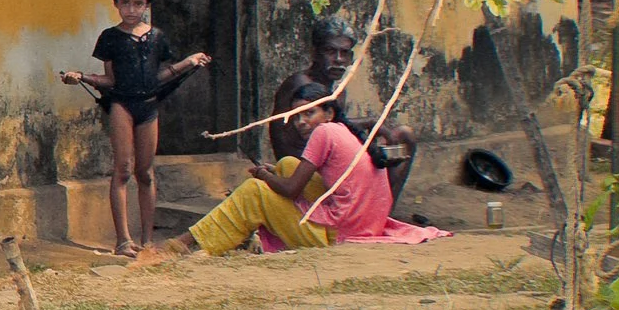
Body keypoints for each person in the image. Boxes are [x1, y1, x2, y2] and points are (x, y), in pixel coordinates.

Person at [138, 84, 446, 261]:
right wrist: (276, 173)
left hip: (342, 233)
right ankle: (224, 237)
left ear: (328, 112)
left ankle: (185, 243)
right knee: (287, 165)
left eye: (308, 113)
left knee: (255, 192)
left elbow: (290, 191)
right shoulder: (343, 131)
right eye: (296, 116)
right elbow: (293, 178)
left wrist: (262, 175)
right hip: (364, 223)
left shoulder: (324, 133)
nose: (300, 122)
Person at [62, 0, 210, 256]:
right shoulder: (110, 38)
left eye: (138, 4)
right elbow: (110, 80)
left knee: (146, 172)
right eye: (125, 3)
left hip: (149, 106)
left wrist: (188, 62)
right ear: (116, 4)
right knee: (123, 170)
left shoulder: (157, 38)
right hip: (122, 106)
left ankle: (147, 240)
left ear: (147, 5)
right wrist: (82, 77)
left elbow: (160, 76)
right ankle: (123, 240)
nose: (131, 10)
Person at [271, 14, 417, 205]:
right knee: (382, 147)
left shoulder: (335, 89)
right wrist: (372, 125)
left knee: (403, 136)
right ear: (314, 53)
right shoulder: (301, 84)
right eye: (331, 51)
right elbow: (324, 132)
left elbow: (337, 127)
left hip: (323, 161)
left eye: (344, 53)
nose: (339, 59)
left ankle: (383, 209)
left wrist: (372, 127)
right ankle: (374, 210)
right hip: (302, 170)